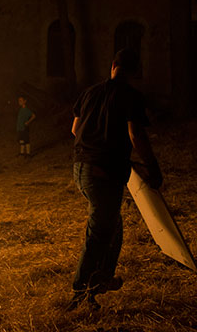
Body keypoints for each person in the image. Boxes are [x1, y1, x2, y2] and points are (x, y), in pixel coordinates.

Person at [68, 48, 162, 310]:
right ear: (135, 71)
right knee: (98, 233)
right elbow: (136, 136)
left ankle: (102, 279)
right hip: (102, 174)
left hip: (80, 170)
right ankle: (81, 293)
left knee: (112, 225)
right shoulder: (131, 96)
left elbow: (75, 129)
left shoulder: (90, 92)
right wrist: (152, 168)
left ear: (112, 66)